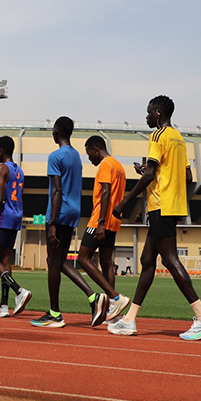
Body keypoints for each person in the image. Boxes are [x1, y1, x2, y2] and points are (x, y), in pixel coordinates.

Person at [108, 96, 201, 340]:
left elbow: (150, 174)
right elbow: (187, 177)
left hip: (160, 205)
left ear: (158, 113)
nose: (146, 117)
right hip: (174, 204)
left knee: (169, 259)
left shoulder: (157, 136)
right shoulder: (178, 138)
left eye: (148, 113)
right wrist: (154, 175)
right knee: (148, 259)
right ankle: (129, 319)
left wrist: (124, 201)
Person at [31, 117, 110, 329]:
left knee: (53, 263)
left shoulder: (55, 156)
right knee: (60, 261)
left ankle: (55, 313)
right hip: (74, 211)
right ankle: (93, 298)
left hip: (59, 211)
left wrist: (53, 223)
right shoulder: (76, 156)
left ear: (56, 131)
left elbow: (56, 190)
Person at [75, 135, 131, 321]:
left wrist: (100, 222)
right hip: (113, 222)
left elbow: (106, 191)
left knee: (83, 258)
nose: (89, 157)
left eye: (88, 152)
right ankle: (111, 309)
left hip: (100, 221)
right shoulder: (119, 167)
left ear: (96, 148)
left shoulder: (106, 165)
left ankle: (115, 298)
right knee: (106, 262)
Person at [0, 136, 33, 317]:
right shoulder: (20, 171)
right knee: (4, 260)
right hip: (15, 218)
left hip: (2, 219)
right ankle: (3, 305)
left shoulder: (1, 168)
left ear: (1, 150)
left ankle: (19, 291)